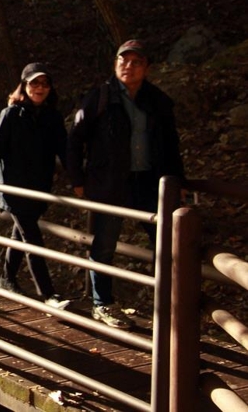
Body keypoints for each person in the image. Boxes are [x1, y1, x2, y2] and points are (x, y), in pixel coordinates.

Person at [67, 39, 185, 329]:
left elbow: (171, 145)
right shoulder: (100, 97)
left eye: (135, 62)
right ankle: (102, 303)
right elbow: (75, 139)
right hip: (110, 182)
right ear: (115, 64)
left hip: (149, 182)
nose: (128, 67)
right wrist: (77, 179)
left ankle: (169, 307)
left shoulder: (157, 101)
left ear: (146, 68)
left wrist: (178, 182)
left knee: (165, 243)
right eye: (123, 61)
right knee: (105, 242)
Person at [0, 63, 70, 310]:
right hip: (14, 187)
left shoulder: (52, 116)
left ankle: (6, 278)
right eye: (34, 83)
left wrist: (78, 180)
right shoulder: (11, 114)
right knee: (32, 238)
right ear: (24, 86)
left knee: (20, 234)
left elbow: (64, 151)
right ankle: (49, 295)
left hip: (39, 186)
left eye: (44, 84)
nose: (39, 88)